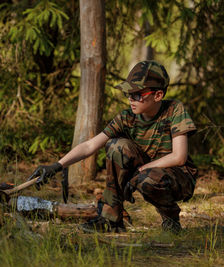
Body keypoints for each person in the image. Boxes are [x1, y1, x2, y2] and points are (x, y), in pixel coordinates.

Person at [28, 61, 198, 234]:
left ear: (158, 95)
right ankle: (111, 219)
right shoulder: (127, 118)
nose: (131, 99)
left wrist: (143, 170)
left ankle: (170, 220)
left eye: (138, 94)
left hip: (178, 177)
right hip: (144, 172)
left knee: (147, 178)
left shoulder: (174, 110)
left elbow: (179, 157)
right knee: (116, 146)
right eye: (128, 93)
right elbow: (90, 145)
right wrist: (56, 166)